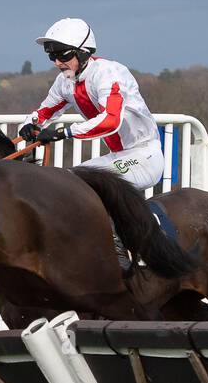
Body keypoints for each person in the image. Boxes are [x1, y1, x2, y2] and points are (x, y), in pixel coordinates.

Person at [18, 18, 165, 268]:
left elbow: (110, 121)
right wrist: (30, 124)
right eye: (52, 56)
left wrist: (64, 133)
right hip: (120, 155)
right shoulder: (66, 81)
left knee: (80, 182)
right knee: (69, 180)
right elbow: (44, 111)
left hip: (144, 156)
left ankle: (119, 252)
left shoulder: (109, 73)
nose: (57, 62)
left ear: (83, 52)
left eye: (63, 55)